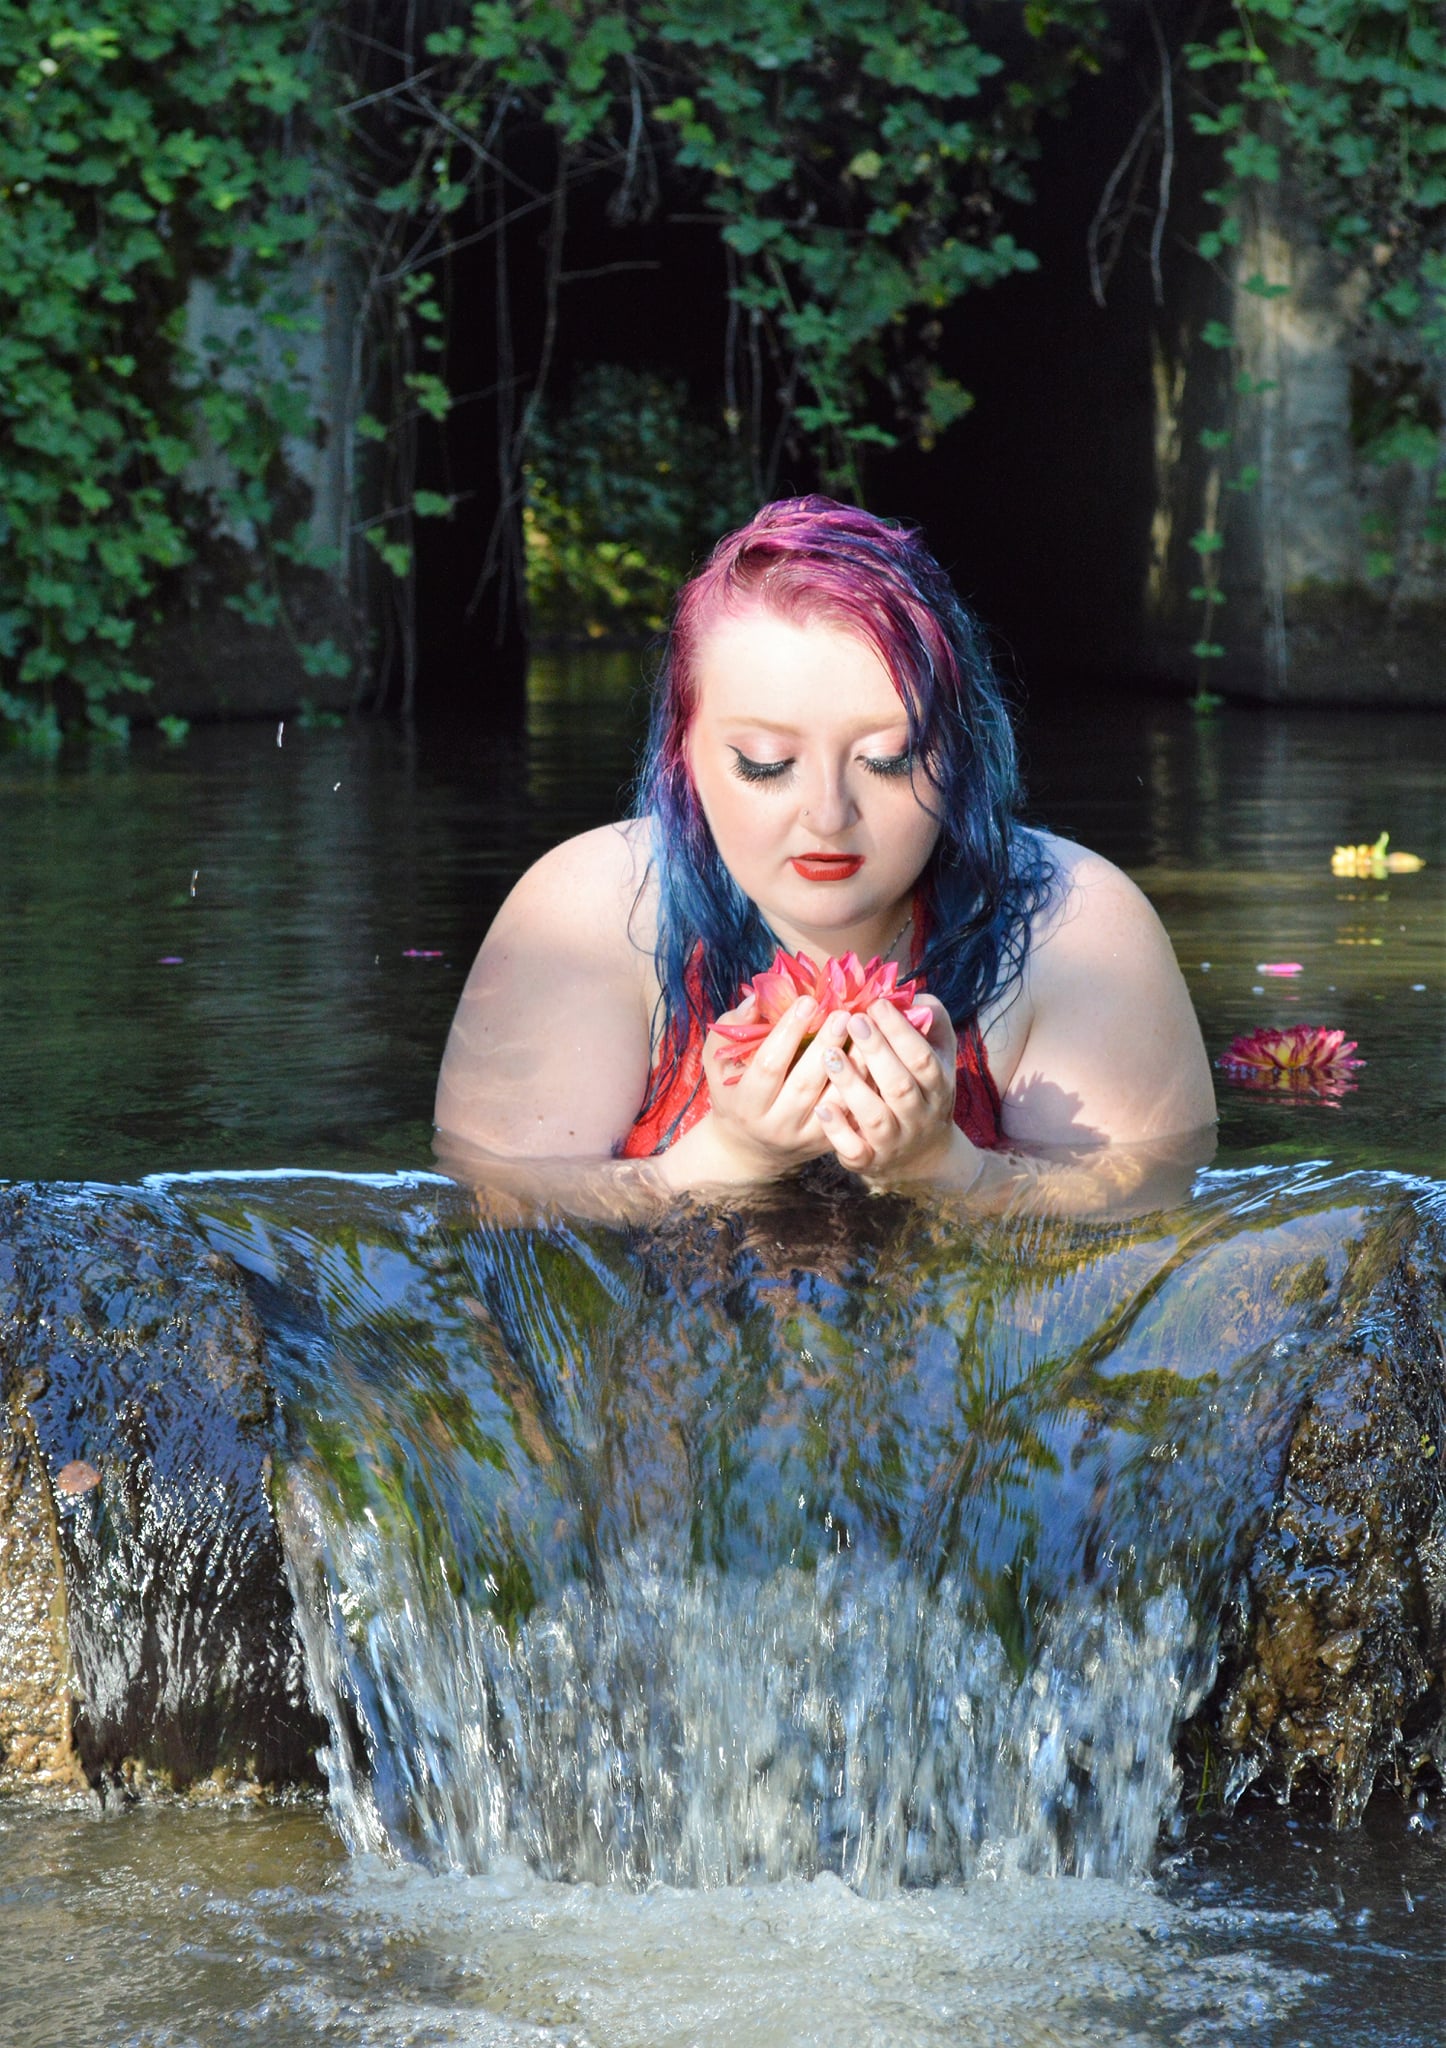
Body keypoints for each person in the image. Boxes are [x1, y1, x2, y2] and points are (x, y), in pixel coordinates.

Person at [435, 497, 1215, 1207]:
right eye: (766, 765)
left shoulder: (1070, 929)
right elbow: (492, 1216)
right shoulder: (586, 915)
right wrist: (723, 1158)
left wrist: (950, 1169)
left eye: (888, 760)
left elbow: (1153, 1223)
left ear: (960, 752)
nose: (829, 816)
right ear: (685, 757)